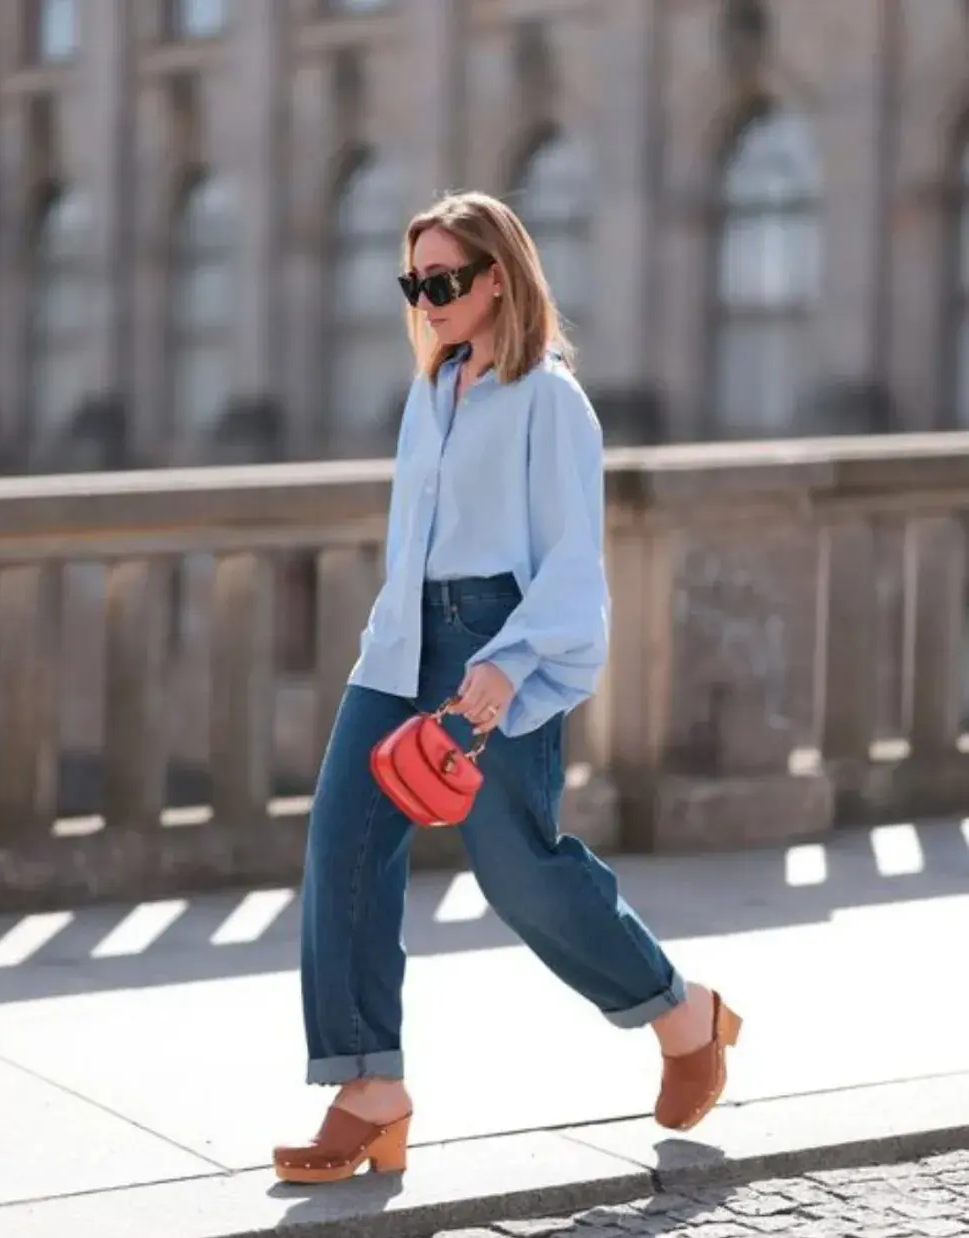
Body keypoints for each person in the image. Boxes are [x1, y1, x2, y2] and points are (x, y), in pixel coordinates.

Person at [273, 191, 741, 1185]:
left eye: (444, 280)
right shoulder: (430, 389)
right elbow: (413, 542)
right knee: (342, 842)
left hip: (498, 635)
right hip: (401, 640)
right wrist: (389, 645)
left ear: (499, 278)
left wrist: (506, 663)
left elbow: (573, 559)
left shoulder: (550, 399)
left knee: (516, 863)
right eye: (415, 282)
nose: (428, 298)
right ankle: (368, 1084)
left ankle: (681, 1008)